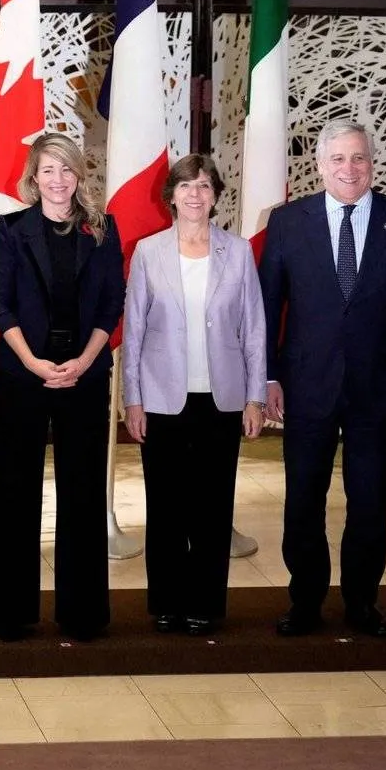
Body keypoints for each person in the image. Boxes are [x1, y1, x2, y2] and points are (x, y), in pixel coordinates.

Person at [260, 118, 386, 638]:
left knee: (370, 504)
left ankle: (362, 603)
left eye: (358, 157)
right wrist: (268, 378)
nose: (349, 168)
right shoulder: (287, 222)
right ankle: (305, 601)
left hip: (378, 393)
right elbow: (267, 309)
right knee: (303, 502)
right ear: (320, 165)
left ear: (372, 164)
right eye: (338, 158)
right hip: (306, 389)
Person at [0, 133, 125, 642]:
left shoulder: (103, 229)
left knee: (83, 492)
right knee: (14, 489)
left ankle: (82, 614)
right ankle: (10, 613)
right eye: (48, 170)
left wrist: (84, 360)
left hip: (84, 376)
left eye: (66, 169)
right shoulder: (11, 229)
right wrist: (33, 362)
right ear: (33, 178)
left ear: (78, 174)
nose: (57, 180)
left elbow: (112, 303)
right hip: (23, 374)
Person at [122, 154, 266, 637]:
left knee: (212, 507)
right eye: (186, 186)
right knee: (165, 507)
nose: (195, 195)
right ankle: (166, 603)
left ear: (216, 195)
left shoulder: (238, 252)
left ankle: (204, 603)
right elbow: (134, 332)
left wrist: (255, 397)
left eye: (204, 186)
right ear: (171, 196)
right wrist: (132, 399)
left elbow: (254, 329)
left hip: (221, 400)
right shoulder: (148, 252)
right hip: (161, 399)